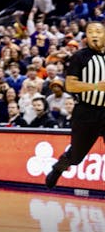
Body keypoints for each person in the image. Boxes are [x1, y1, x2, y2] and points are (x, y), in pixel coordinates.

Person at [45, 21, 105, 188]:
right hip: (87, 111)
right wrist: (95, 86)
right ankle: (58, 169)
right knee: (76, 156)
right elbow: (70, 85)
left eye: (98, 32)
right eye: (90, 32)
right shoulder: (80, 56)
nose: (94, 35)